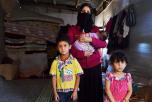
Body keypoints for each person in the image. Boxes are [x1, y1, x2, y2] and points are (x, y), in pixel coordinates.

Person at [68, 2, 107, 102]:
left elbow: (103, 44)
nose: (85, 13)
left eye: (88, 12)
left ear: (91, 15)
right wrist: (82, 54)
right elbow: (69, 48)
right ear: (79, 13)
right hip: (79, 67)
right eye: (83, 11)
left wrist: (90, 40)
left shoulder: (95, 29)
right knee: (81, 93)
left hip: (95, 66)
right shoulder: (73, 30)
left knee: (94, 93)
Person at [49, 35, 83, 102]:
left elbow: (78, 77)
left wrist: (75, 91)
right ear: (57, 48)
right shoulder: (55, 62)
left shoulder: (74, 61)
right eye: (60, 46)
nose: (63, 48)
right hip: (60, 92)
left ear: (70, 46)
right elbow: (53, 78)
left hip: (72, 91)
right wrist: (55, 93)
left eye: (65, 45)